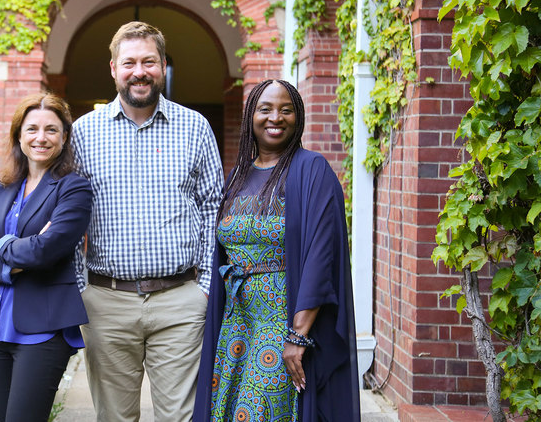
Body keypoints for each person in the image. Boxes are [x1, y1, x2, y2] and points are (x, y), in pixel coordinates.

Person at [71, 21, 224, 421]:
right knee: (115, 417)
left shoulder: (195, 128)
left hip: (180, 302)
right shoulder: (83, 134)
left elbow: (213, 209)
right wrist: (80, 288)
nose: (139, 71)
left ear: (163, 67)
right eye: (129, 63)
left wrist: (205, 287)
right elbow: (68, 216)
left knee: (182, 416)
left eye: (149, 62)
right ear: (113, 69)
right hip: (106, 302)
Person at [194, 79, 360, 422]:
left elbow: (320, 257)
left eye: (286, 110)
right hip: (236, 322)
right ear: (250, 117)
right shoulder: (237, 176)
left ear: (298, 118)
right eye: (265, 109)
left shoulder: (312, 171)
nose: (276, 117)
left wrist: (298, 336)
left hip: (280, 320)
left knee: (262, 411)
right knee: (227, 410)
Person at [0, 92, 93, 422]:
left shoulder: (73, 188)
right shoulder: (3, 187)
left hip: (44, 328)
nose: (41, 138)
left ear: (64, 137)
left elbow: (46, 251)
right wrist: (18, 260)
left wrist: (1, 245)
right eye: (32, 128)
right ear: (19, 135)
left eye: (52, 129)